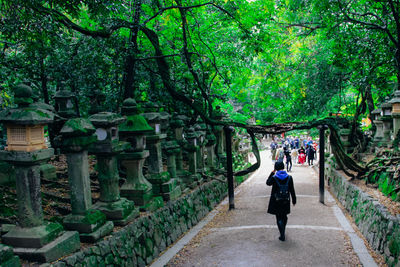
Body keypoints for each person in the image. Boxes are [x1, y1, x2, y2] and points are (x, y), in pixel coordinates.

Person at [266, 161, 296, 241]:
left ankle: (282, 234)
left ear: (275, 168)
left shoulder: (274, 177)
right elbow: (292, 189)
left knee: (278, 217)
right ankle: (283, 230)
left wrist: (272, 173)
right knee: (284, 216)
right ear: (283, 167)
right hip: (286, 200)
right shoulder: (289, 177)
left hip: (276, 200)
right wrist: (294, 199)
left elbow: (268, 183)